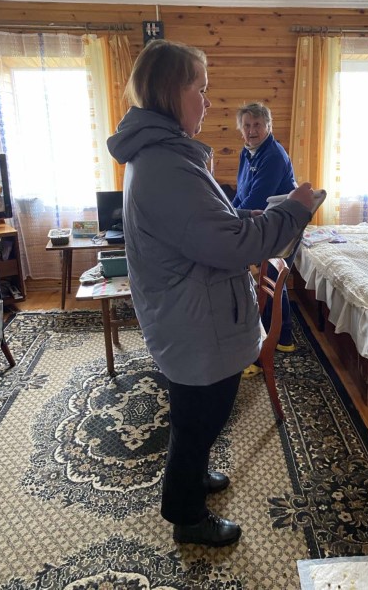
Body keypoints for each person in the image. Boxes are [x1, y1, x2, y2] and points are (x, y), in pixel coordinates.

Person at [107, 40, 315, 548]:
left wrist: (252, 214)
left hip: (191, 313)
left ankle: (194, 478)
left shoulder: (164, 155)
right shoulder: (166, 165)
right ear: (170, 91)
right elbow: (231, 244)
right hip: (194, 321)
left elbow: (206, 223)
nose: (207, 101)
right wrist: (295, 210)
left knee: (197, 416)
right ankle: (187, 516)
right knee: (200, 419)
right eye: (199, 90)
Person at [232, 102, 298, 360]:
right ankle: (281, 337)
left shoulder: (272, 156)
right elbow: (241, 194)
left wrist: (232, 218)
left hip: (283, 225)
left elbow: (257, 200)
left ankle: (275, 338)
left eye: (257, 125)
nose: (251, 130)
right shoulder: (247, 151)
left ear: (268, 126)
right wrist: (229, 213)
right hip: (265, 222)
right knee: (272, 280)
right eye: (246, 125)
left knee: (272, 280)